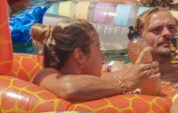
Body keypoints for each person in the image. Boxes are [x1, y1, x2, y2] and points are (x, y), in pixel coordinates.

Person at [30, 20, 160, 100]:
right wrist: (127, 82)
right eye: (98, 48)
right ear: (80, 56)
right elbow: (69, 87)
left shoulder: (94, 81)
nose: (102, 56)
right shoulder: (45, 76)